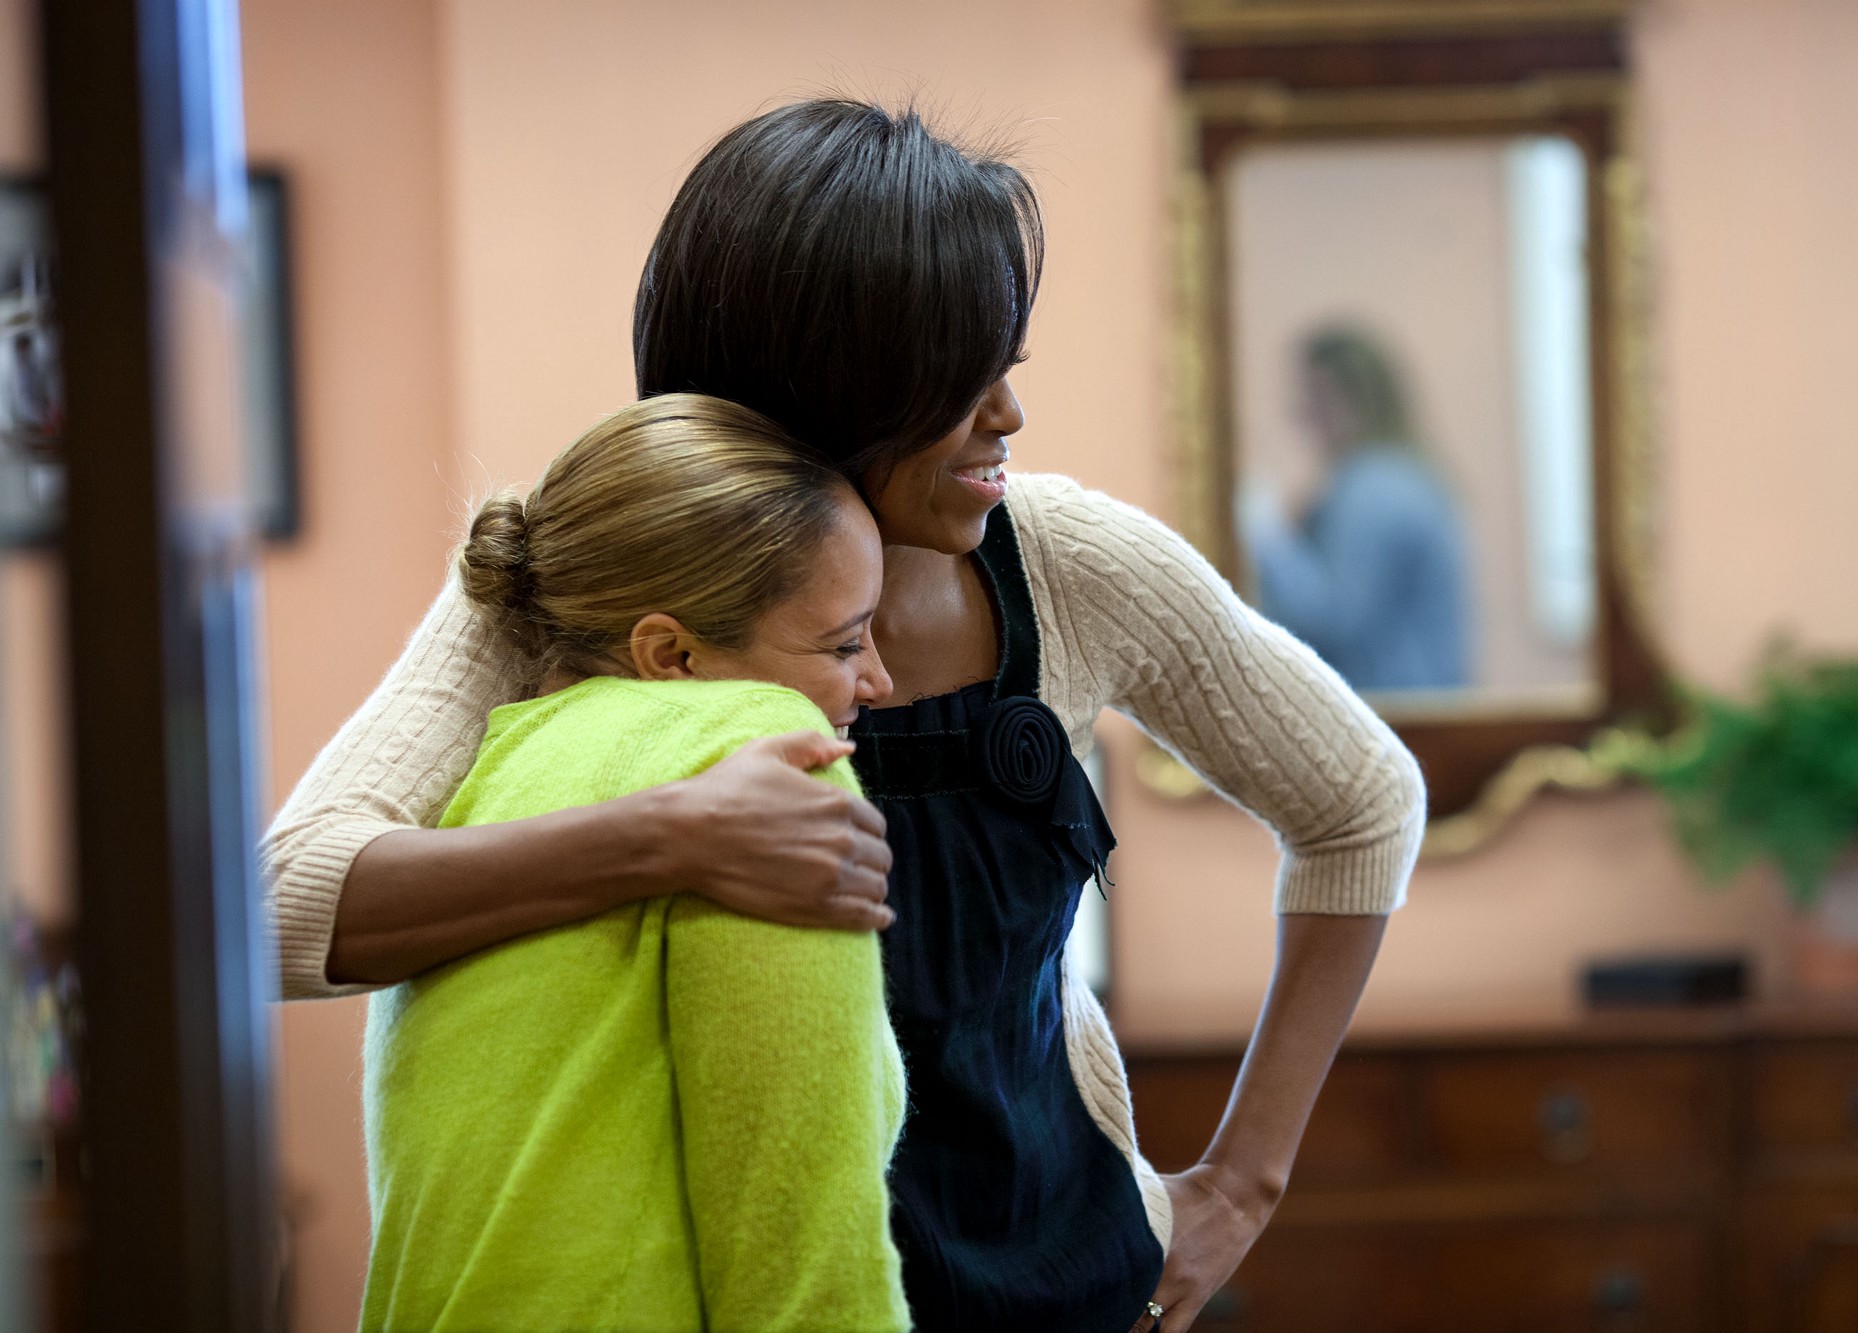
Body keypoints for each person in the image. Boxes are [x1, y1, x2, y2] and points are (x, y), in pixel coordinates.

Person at [266, 100, 1425, 1333]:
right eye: (955, 383)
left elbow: (1360, 804)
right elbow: (280, 910)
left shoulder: (1071, 566)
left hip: (1074, 1291)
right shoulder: (589, 570)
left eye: (1005, 369)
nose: (1006, 419)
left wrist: (1240, 1184)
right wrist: (664, 837)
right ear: (815, 395)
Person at [359, 395, 908, 1332]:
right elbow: (806, 1250)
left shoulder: (480, 786)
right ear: (673, 654)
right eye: (845, 642)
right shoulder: (761, 749)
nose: (879, 681)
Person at [1245, 326, 1470, 692]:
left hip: (1398, 717)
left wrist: (1263, 528)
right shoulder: (1403, 476)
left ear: (1355, 396)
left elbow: (1333, 617)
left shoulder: (1376, 487)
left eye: (1317, 395)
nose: (1301, 412)